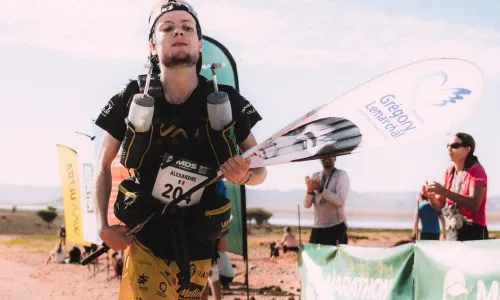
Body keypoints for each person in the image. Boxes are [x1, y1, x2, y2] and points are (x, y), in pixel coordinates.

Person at [94, 1, 266, 299]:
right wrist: (102, 227)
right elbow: (102, 164)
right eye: (168, 28)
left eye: (188, 28)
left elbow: (261, 170)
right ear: (152, 45)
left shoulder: (228, 101)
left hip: (200, 242)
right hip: (146, 238)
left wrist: (245, 177)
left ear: (199, 44)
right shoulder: (131, 97)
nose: (179, 33)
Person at [423, 132, 488, 241]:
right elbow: (441, 204)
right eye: (448, 145)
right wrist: (431, 197)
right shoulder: (449, 172)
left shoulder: (476, 170)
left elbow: (474, 203)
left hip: (474, 231)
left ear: (468, 149)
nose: (449, 148)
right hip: (452, 228)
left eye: (455, 146)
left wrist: (444, 192)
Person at [304, 156, 350, 246]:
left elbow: (340, 201)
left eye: (331, 155)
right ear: (320, 158)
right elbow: (307, 205)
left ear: (335, 158)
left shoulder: (341, 175)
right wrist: (309, 190)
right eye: (325, 155)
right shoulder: (315, 176)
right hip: (317, 228)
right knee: (315, 258)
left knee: (335, 259)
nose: (327, 158)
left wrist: (321, 189)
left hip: (336, 227)